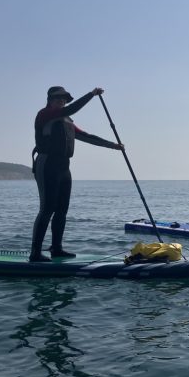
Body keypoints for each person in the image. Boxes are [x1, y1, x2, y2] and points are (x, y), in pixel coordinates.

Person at [30, 86, 123, 262]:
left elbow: (87, 136)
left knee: (62, 210)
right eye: (58, 98)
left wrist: (112, 145)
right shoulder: (45, 114)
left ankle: (56, 248)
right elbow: (72, 108)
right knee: (47, 208)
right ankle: (35, 253)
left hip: (64, 167)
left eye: (64, 99)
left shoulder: (67, 121)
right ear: (50, 100)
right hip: (47, 164)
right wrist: (91, 95)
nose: (61, 101)